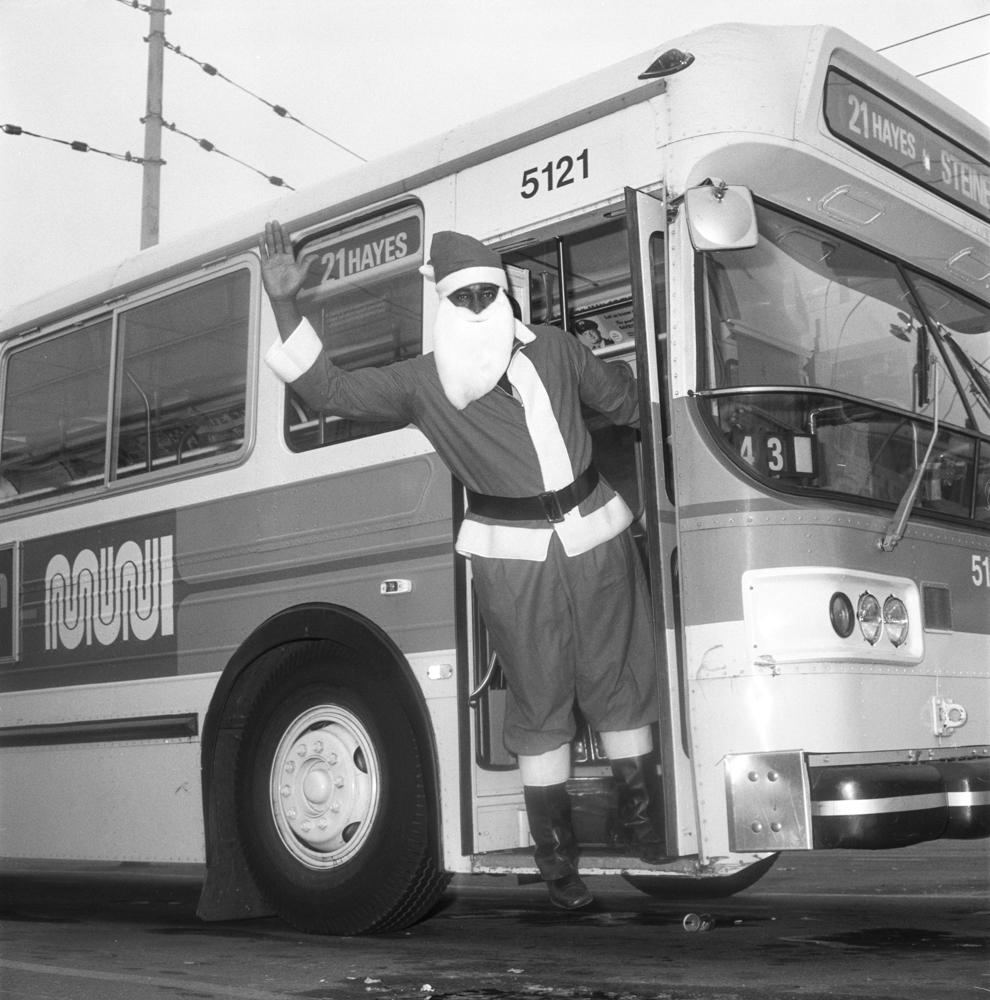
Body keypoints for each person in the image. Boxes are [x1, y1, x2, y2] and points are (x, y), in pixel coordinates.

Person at [260, 221, 664, 910]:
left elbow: (628, 402)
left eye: (488, 293)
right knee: (541, 700)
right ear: (445, 305)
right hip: (514, 561)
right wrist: (285, 304)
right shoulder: (424, 382)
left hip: (596, 537)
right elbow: (328, 394)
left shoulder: (561, 350)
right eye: (464, 297)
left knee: (620, 677)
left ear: (506, 295)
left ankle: (648, 826)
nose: (478, 307)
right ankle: (558, 863)